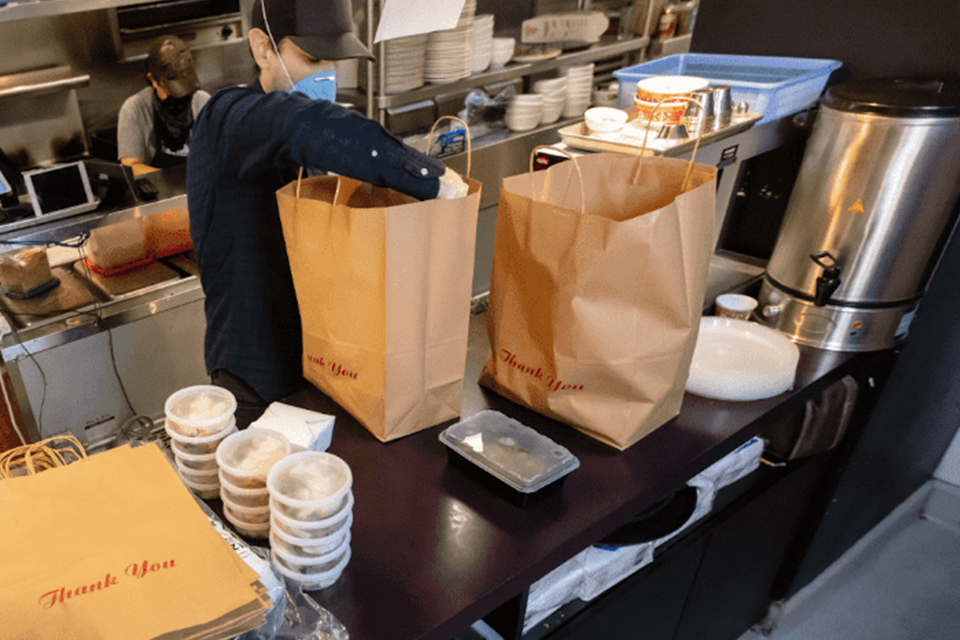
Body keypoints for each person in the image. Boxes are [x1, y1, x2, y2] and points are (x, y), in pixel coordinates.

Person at [187, 0, 468, 427]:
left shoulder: (312, 138)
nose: (327, 76)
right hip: (255, 380)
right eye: (314, 59)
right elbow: (298, 122)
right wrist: (430, 178)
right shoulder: (226, 117)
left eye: (335, 62)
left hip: (325, 367)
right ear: (262, 48)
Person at [118, 35, 211, 175]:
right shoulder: (134, 108)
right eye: (172, 90)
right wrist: (172, 180)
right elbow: (130, 166)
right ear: (153, 79)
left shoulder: (202, 101)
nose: (180, 98)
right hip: (157, 187)